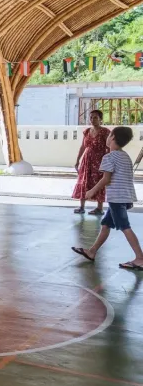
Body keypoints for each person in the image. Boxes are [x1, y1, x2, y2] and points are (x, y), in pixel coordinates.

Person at [72, 126, 143, 270]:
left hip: (116, 198)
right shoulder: (125, 156)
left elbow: (106, 179)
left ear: (113, 138)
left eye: (110, 134)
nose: (107, 136)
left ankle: (140, 259)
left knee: (125, 227)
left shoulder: (109, 157)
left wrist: (91, 191)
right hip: (125, 196)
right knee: (105, 225)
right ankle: (92, 252)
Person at [72, 109, 109, 215]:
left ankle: (99, 208)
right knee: (84, 181)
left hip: (100, 160)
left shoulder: (105, 132)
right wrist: (77, 160)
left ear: (101, 119)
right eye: (91, 117)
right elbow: (83, 146)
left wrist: (108, 160)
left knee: (98, 182)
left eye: (95, 117)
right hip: (86, 160)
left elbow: (109, 147)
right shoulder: (87, 131)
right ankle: (82, 206)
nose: (93, 120)